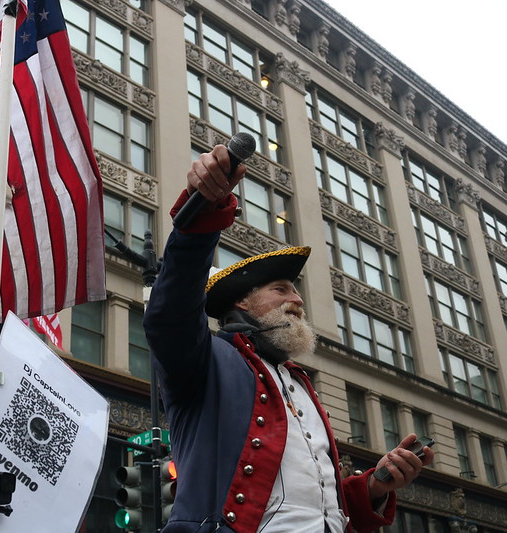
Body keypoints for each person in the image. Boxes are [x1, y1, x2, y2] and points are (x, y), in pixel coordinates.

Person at [143, 144, 434, 533]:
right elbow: (171, 312)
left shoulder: (300, 382)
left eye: (295, 291)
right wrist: (205, 213)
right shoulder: (205, 359)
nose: (297, 300)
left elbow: (311, 500)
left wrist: (376, 484)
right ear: (242, 301)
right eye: (281, 289)